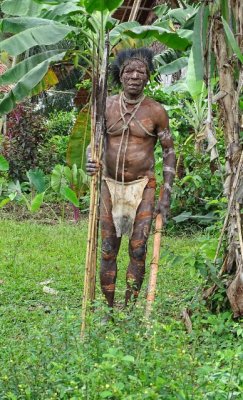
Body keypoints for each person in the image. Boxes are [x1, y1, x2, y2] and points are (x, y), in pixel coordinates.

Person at [86, 48, 176, 312]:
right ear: (121, 76)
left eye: (141, 72)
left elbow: (169, 151)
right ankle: (109, 309)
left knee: (138, 250)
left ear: (148, 77)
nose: (135, 76)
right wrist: (91, 159)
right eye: (129, 71)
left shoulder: (156, 111)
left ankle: (127, 310)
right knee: (106, 248)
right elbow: (95, 141)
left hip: (142, 187)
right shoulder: (106, 106)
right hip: (109, 185)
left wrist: (166, 195)